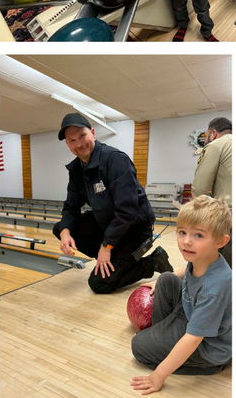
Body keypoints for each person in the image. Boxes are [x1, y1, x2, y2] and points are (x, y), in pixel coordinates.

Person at [53, 113, 172, 294]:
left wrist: (106, 246)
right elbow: (71, 206)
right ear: (68, 144)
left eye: (82, 136)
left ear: (93, 133)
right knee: (60, 228)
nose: (79, 144)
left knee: (99, 284)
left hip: (135, 230)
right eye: (72, 140)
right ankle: (113, 260)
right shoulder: (76, 169)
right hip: (108, 227)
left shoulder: (114, 159)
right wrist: (65, 232)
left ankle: (153, 262)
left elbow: (127, 210)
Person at [131, 196, 232, 393]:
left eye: (198, 235)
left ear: (221, 241)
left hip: (208, 348)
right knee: (166, 278)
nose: (186, 241)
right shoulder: (203, 258)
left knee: (138, 346)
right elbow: (187, 269)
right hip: (191, 315)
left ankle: (199, 363)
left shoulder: (214, 288)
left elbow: (194, 338)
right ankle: (162, 336)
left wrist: (158, 376)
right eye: (182, 232)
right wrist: (157, 281)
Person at [192, 117, 233, 266]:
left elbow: (200, 190)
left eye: (205, 136)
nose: (204, 141)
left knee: (219, 268)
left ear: (213, 133)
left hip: (228, 218)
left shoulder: (215, 145)